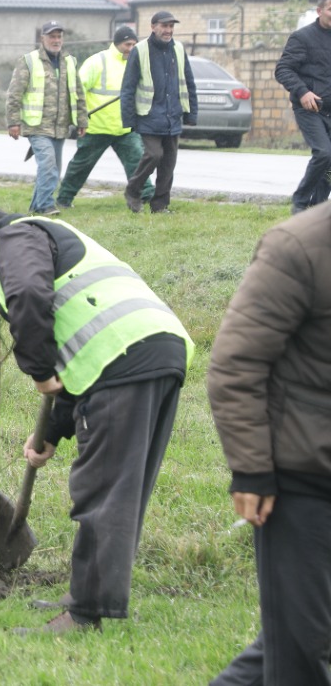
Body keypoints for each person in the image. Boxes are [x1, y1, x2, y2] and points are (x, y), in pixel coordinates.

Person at [0, 207, 192, 634]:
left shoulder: (11, 239)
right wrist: (52, 431)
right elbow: (81, 345)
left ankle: (85, 614)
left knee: (103, 489)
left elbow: (28, 294)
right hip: (155, 349)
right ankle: (85, 595)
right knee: (121, 489)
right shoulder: (54, 234)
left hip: (122, 359)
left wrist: (38, 369)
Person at [208, 203, 331, 684]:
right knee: (300, 650)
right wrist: (252, 470)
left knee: (301, 636)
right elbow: (235, 365)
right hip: (304, 479)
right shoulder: (300, 247)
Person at [56, 26, 155, 209]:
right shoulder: (97, 62)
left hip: (125, 128)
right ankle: (64, 199)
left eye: (134, 44)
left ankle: (148, 197)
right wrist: (78, 118)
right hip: (96, 127)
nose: (131, 48)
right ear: (117, 43)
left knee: (138, 164)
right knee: (81, 166)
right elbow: (77, 91)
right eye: (127, 44)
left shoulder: (137, 64)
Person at [120, 10, 199, 213]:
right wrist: (129, 119)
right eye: (164, 26)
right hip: (149, 116)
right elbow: (128, 88)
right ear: (153, 27)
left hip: (173, 116)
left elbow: (189, 82)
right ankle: (133, 190)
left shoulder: (178, 49)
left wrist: (191, 113)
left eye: (171, 26)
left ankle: (160, 205)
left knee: (168, 164)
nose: (168, 30)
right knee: (154, 155)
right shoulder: (140, 50)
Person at [5, 20, 84, 216]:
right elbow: (14, 94)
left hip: (60, 127)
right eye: (52, 37)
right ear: (42, 38)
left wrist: (82, 121)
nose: (56, 40)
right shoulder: (28, 61)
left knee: (53, 168)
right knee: (48, 165)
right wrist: (13, 122)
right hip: (37, 126)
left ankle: (35, 206)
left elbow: (79, 93)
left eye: (59, 36)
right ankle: (45, 206)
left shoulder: (70, 62)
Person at [273, 0, 331, 214]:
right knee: (324, 153)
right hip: (310, 108)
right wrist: (303, 92)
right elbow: (283, 69)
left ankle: (318, 208)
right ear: (319, 11)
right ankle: (300, 201)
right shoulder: (303, 37)